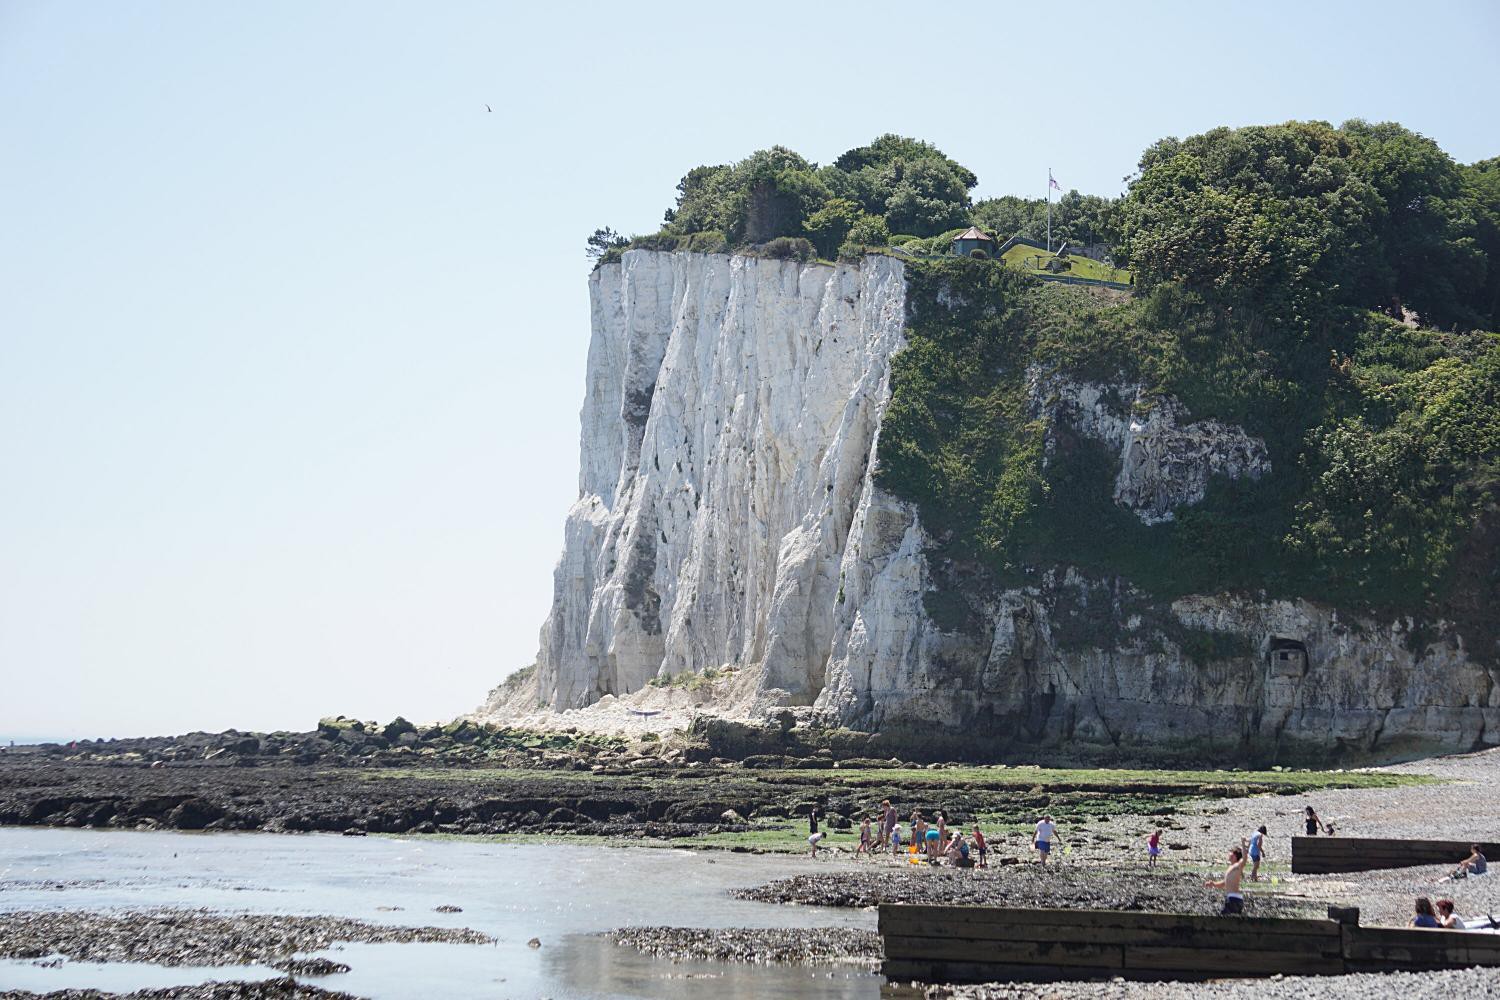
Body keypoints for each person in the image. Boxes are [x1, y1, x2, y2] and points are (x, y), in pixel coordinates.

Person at [1205, 846, 1247, 915]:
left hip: (1234, 899)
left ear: (1235, 856)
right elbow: (1225, 883)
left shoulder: (1237, 866)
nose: (1229, 854)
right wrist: (1213, 884)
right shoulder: (1231, 867)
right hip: (1233, 898)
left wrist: (1243, 844)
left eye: (1231, 853)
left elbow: (1244, 860)